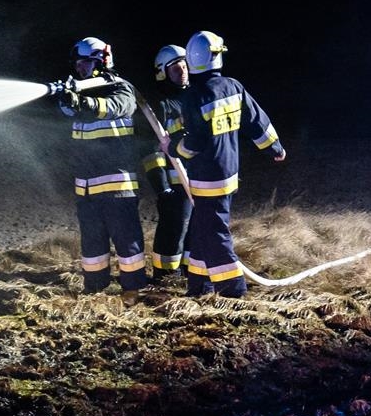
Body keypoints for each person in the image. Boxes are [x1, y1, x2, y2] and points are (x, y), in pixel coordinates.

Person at [171, 29, 285, 298]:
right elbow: (256, 121)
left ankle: (233, 290)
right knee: (202, 230)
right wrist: (275, 148)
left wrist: (174, 148)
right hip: (229, 172)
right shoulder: (233, 86)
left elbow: (194, 143)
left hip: (206, 177)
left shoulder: (194, 96)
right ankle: (200, 286)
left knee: (214, 234)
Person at [50, 36, 149, 294]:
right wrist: (68, 99)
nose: (79, 68)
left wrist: (84, 102)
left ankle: (134, 291)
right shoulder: (81, 93)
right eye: (77, 64)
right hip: (87, 190)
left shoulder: (120, 88)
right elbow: (67, 111)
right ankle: (94, 290)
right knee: (92, 248)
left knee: (128, 244)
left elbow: (116, 107)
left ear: (101, 61)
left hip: (117, 187)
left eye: (84, 63)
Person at [140, 42, 193, 287]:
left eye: (184, 66)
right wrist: (162, 187)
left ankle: (189, 272)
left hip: (198, 180)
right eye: (175, 68)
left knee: (195, 228)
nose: (182, 71)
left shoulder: (195, 98)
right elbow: (150, 149)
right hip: (175, 183)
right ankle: (164, 277)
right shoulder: (161, 105)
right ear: (163, 73)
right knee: (174, 228)